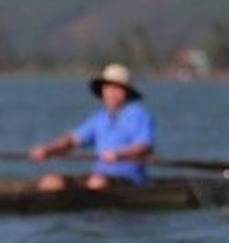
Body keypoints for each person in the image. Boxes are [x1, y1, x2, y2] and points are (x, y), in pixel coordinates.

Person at [28, 62, 155, 191]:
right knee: (51, 181)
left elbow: (144, 147)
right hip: (99, 177)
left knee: (97, 183)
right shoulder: (100, 118)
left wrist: (119, 154)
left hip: (128, 180)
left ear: (126, 92)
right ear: (102, 92)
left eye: (117, 89)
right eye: (108, 88)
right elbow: (72, 140)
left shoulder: (138, 114)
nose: (111, 93)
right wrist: (48, 150)